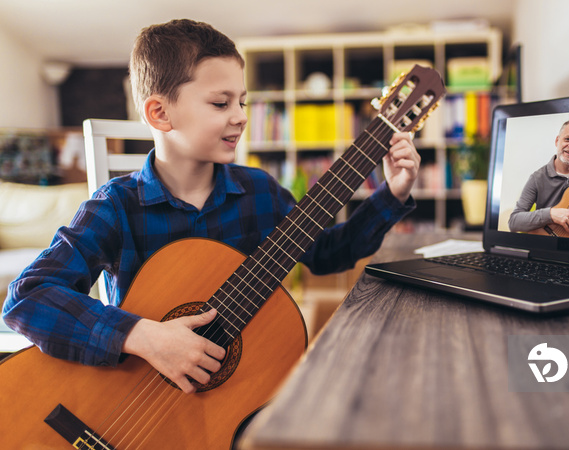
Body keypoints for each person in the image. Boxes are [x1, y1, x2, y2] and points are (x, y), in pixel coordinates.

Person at [2, 19, 420, 394]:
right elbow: (27, 298)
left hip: (235, 391)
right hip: (137, 398)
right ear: (160, 113)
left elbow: (329, 254)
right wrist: (145, 337)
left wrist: (393, 193)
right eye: (221, 104)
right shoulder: (116, 206)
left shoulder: (259, 191)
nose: (239, 116)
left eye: (242, 101)